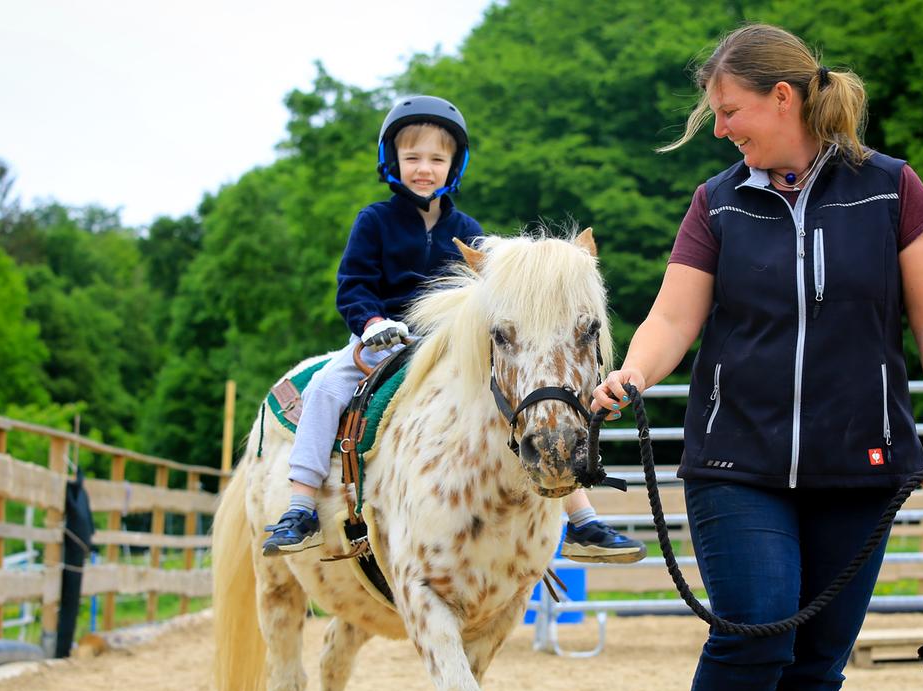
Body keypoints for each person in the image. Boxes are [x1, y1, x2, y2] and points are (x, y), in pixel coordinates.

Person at [590, 23, 923, 691]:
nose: (721, 129)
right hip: (738, 463)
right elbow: (671, 318)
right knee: (757, 627)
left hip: (860, 467)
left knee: (818, 662)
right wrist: (632, 372)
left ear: (784, 98)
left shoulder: (891, 189)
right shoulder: (718, 203)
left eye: (730, 111)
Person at [264, 95, 643, 564]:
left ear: (453, 165)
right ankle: (299, 504)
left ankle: (581, 518)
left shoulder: (468, 229)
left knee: (528, 399)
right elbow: (353, 286)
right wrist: (373, 323)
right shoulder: (374, 222)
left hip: (447, 345)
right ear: (392, 162)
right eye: (413, 158)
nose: (424, 168)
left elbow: (488, 299)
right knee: (325, 385)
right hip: (381, 343)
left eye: (437, 159)